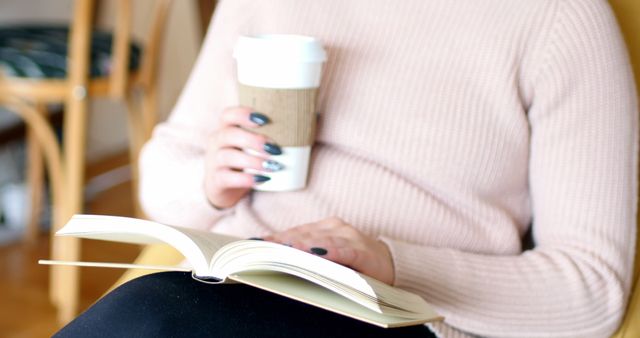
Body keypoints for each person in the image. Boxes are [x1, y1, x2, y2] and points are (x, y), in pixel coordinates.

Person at [55, 0, 638, 337]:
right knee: (143, 317)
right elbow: (163, 176)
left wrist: (394, 265)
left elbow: (593, 290)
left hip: (399, 319)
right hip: (228, 282)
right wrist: (209, 180)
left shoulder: (561, 18)